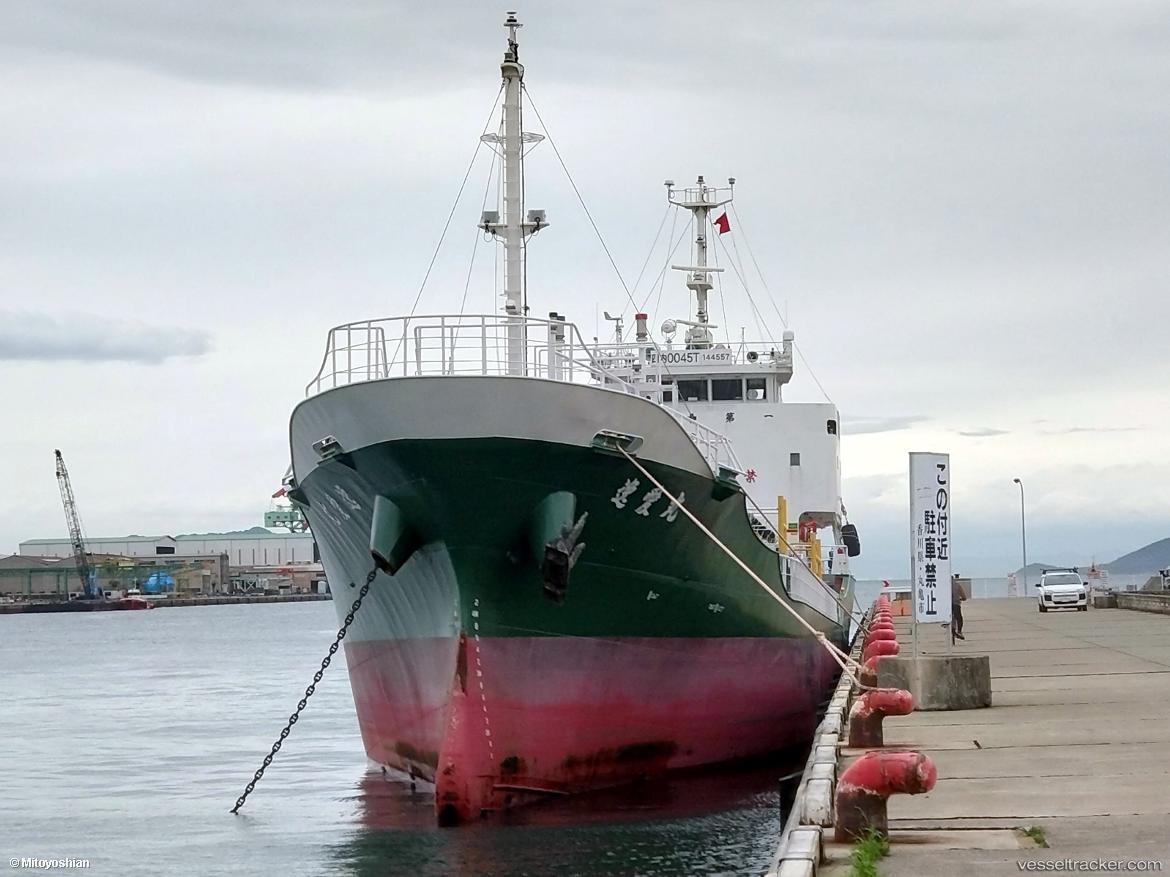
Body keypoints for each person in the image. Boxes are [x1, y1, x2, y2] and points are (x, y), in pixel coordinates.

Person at [951, 574, 966, 641]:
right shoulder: (958, 585)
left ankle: (946, 624)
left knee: (947, 617)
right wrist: (962, 599)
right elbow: (964, 597)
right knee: (959, 618)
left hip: (947, 606)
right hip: (956, 604)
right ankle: (959, 631)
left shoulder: (944, 586)